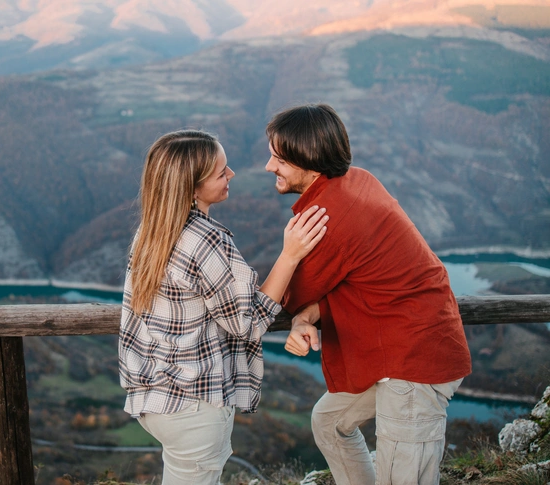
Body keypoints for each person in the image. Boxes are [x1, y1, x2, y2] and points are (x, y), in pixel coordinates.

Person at [265, 104, 472, 485]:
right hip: (399, 346)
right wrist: (304, 317)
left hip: (413, 361)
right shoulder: (357, 179)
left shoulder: (329, 216)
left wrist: (288, 255)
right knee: (330, 423)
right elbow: (344, 282)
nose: (268, 167)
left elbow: (271, 302)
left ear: (307, 160)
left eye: (278, 158)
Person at [118, 129, 329, 484]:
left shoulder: (151, 231)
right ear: (192, 186)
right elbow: (247, 323)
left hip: (155, 398)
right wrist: (290, 255)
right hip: (194, 403)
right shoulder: (205, 240)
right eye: (221, 172)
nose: (232, 175)